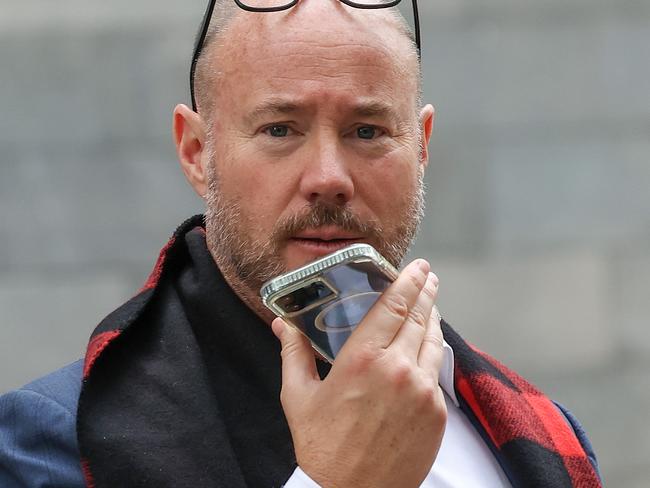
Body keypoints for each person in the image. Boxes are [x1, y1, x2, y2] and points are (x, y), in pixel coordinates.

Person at [0, 1, 602, 487]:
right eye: (280, 129)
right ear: (196, 153)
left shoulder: (544, 433)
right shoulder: (55, 444)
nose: (328, 177)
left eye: (367, 131)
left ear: (420, 148)